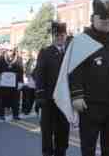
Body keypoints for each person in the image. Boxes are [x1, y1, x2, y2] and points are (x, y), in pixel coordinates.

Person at [54, 0, 109, 156]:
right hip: (90, 104)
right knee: (88, 147)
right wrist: (76, 96)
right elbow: (74, 70)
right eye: (102, 17)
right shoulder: (82, 41)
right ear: (93, 18)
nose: (106, 21)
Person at [35, 21, 70, 156]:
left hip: (65, 99)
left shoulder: (69, 53)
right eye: (56, 35)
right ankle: (47, 153)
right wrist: (40, 95)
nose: (59, 38)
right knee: (47, 130)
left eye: (62, 35)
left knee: (63, 129)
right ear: (52, 36)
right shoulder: (45, 52)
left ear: (65, 35)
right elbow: (39, 74)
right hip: (49, 99)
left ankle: (61, 152)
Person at [0, 46, 23, 121]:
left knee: (15, 100)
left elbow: (21, 71)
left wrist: (20, 82)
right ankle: (1, 115)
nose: (9, 51)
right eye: (8, 50)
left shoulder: (19, 59)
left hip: (14, 83)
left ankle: (15, 115)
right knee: (2, 99)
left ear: (14, 51)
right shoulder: (2, 58)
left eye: (11, 50)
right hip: (4, 83)